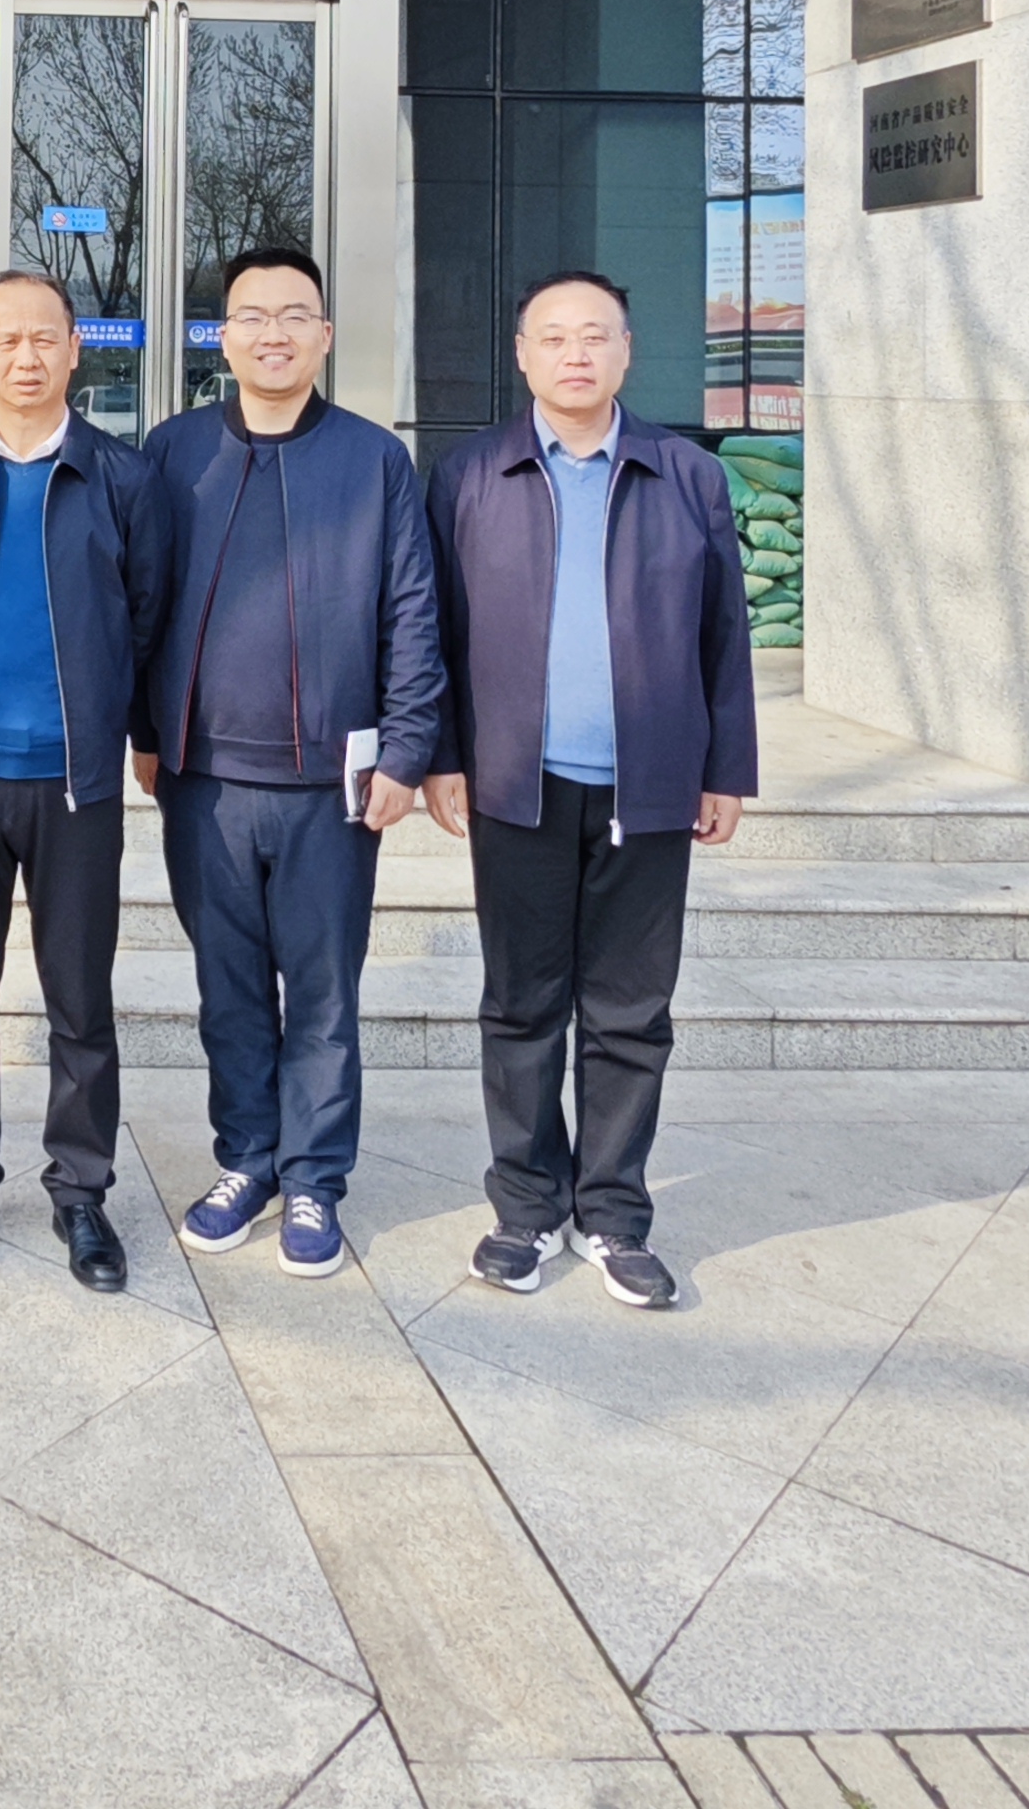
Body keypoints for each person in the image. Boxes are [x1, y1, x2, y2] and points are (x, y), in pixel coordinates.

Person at [423, 270, 756, 1311]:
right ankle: (525, 1207)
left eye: (596, 336)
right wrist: (441, 752)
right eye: (554, 336)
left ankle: (612, 1212)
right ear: (522, 354)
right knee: (521, 1004)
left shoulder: (685, 474)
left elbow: (724, 634)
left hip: (648, 788)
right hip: (515, 784)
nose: (576, 354)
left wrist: (726, 768)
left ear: (626, 352)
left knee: (630, 1012)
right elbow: (435, 629)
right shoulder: (471, 474)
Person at [135, 247, 441, 1280]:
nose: (273, 334)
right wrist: (145, 732)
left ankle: (314, 1177)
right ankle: (246, 1160)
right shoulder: (174, 452)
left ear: (324, 336)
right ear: (221, 337)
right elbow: (139, 603)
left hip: (328, 787)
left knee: (321, 995)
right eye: (252, 316)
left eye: (294, 316)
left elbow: (411, 610)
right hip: (205, 781)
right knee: (226, 990)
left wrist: (408, 748)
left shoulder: (372, 460)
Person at [0, 267, 173, 1291]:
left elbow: (145, 615)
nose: (26, 357)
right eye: (4, 340)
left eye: (44, 338)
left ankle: (81, 1193)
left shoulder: (122, 478)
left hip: (75, 785)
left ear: (74, 349)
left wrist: (127, 733)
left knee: (79, 1001)